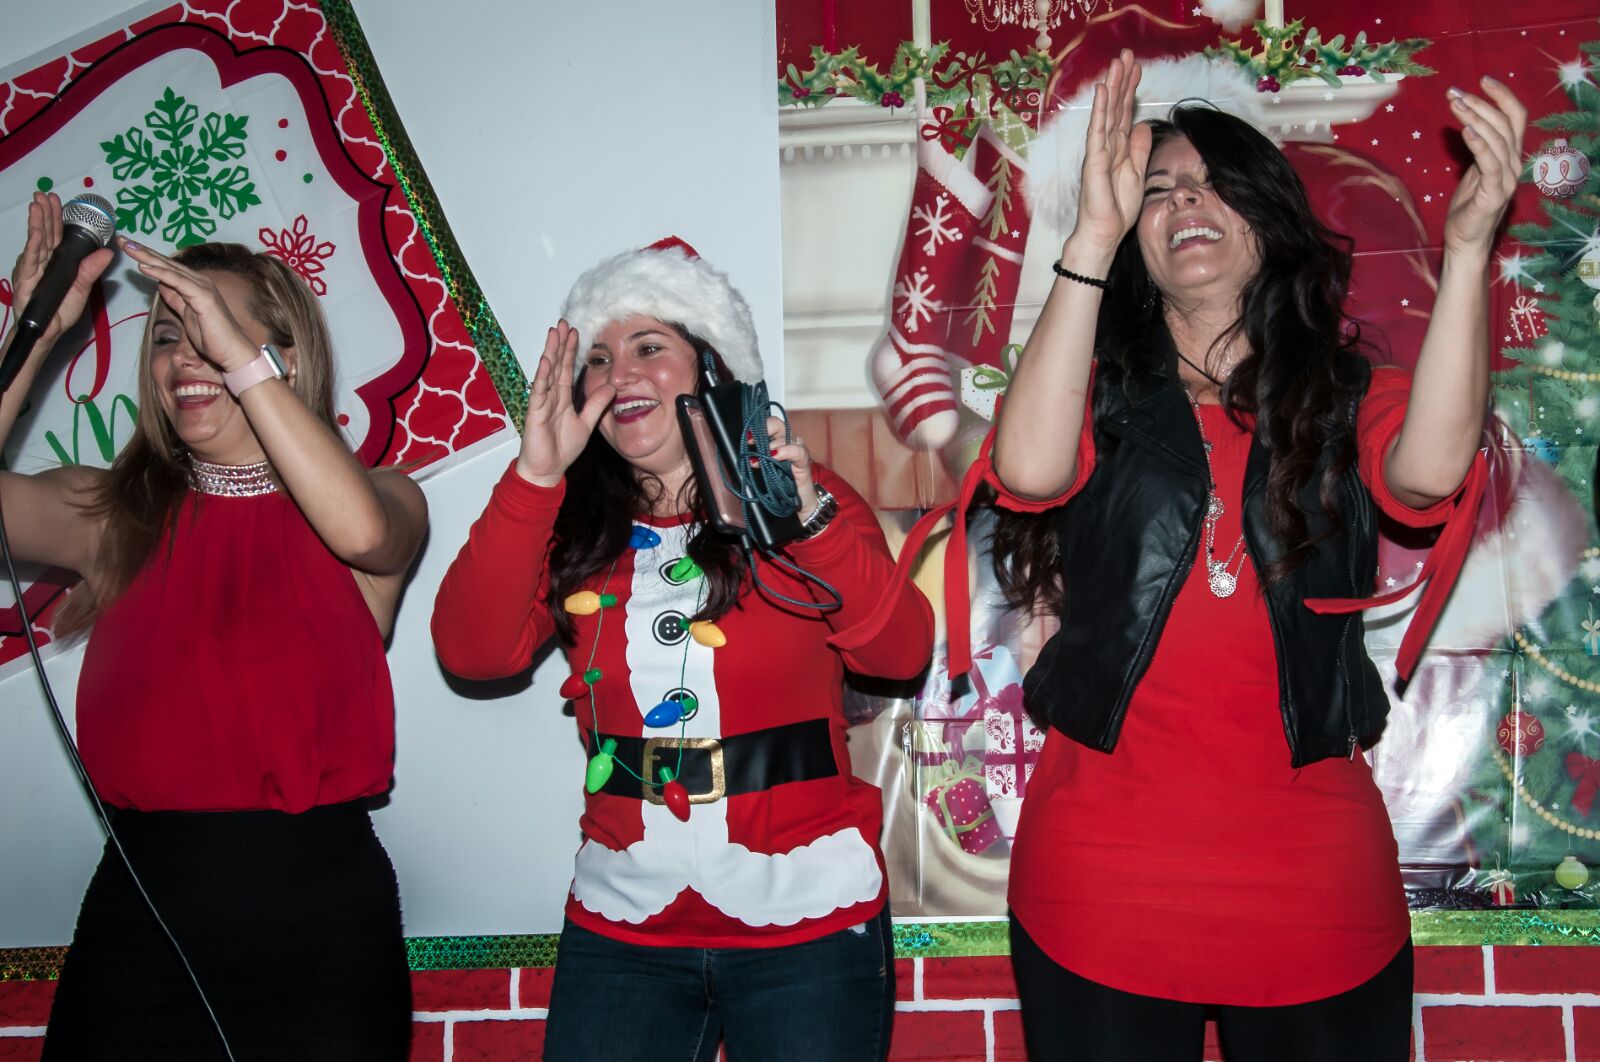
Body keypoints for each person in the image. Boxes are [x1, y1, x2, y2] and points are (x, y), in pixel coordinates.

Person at [979, 52, 1523, 1061]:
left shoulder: (1344, 391)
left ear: (1266, 220)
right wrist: (1089, 236)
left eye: (1212, 182)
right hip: (1101, 880)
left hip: (1314, 883)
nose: (1182, 201)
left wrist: (1466, 250)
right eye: (1154, 190)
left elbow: (1427, 475)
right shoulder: (1090, 389)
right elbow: (1027, 467)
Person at [430, 240, 933, 1062]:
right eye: (599, 357)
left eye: (649, 346)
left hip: (806, 917)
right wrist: (533, 475)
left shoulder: (807, 503)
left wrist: (806, 526)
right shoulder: (564, 530)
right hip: (624, 925)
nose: (620, 372)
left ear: (711, 365)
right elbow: (473, 652)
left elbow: (900, 655)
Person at [1, 193, 428, 1060]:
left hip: (323, 935)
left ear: (282, 352)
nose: (188, 356)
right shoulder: (109, 511)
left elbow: (361, 535)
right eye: (166, 336)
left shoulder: (383, 494)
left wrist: (240, 359)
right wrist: (36, 333)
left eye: (214, 329)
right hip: (141, 919)